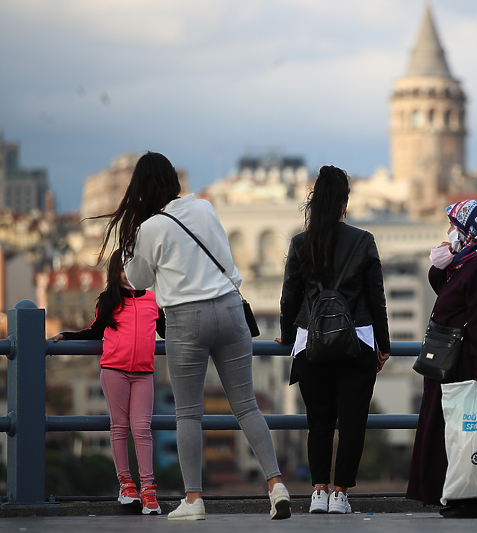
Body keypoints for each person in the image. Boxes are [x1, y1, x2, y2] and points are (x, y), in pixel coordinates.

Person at [100, 151, 291, 520]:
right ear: (173, 182)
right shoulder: (205, 208)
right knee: (247, 404)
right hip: (231, 309)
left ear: (141, 190)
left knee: (188, 414)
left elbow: (137, 281)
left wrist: (133, 241)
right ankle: (276, 484)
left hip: (186, 318)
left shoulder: (150, 228)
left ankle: (193, 499)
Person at [277, 165, 390, 515]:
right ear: (344, 203)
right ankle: (341, 494)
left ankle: (319, 491)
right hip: (357, 340)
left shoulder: (300, 243)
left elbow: (289, 297)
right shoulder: (363, 241)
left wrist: (286, 331)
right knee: (353, 420)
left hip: (311, 343)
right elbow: (376, 297)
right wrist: (383, 345)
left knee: (319, 421)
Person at [406, 199, 477, 519]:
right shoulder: (468, 261)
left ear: (469, 229)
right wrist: (444, 261)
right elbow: (445, 290)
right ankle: (457, 495)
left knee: (466, 434)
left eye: (454, 226)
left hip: (465, 367)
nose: (450, 231)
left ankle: (470, 498)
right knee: (451, 432)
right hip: (450, 365)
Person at [51, 249, 165, 514]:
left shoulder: (152, 300)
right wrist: (68, 336)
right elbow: (95, 331)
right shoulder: (108, 300)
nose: (129, 274)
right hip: (114, 370)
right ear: (116, 272)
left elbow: (166, 331)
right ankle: (126, 485)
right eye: (124, 269)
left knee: (142, 429)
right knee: (119, 427)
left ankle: (148, 490)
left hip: (144, 374)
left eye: (134, 268)